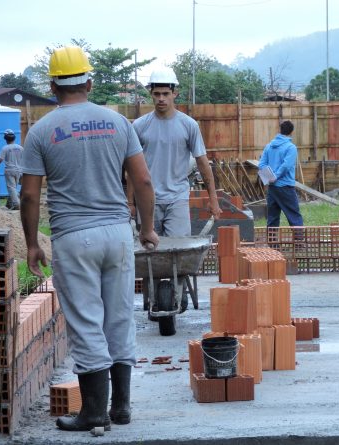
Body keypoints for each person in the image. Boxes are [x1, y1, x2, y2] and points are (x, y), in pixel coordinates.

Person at [19, 46, 158, 432]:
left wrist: (32, 243)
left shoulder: (42, 131)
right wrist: (147, 228)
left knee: (85, 322)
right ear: (90, 81)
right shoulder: (117, 123)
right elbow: (143, 181)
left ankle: (94, 412)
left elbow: (29, 195)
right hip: (117, 233)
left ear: (52, 86)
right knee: (119, 317)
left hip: (73, 236)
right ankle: (122, 407)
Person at [131, 68, 221, 236]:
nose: (161, 99)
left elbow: (202, 163)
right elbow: (131, 167)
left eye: (165, 93)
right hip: (147, 199)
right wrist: (130, 202)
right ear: (151, 94)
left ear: (175, 94)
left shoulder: (188, 125)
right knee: (150, 250)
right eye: (157, 94)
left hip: (177, 198)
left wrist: (213, 200)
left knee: (179, 247)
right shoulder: (139, 126)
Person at [258, 120, 303, 227]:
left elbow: (261, 164)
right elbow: (286, 165)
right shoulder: (291, 147)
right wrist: (276, 176)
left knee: (272, 217)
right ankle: (299, 242)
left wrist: (270, 177)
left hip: (272, 188)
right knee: (294, 216)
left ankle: (272, 243)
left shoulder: (269, 146)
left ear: (280, 130)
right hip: (286, 187)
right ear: (291, 132)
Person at [0, 129, 23, 210]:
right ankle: (9, 205)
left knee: (11, 188)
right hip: (19, 170)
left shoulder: (5, 148)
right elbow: (26, 159)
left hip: (10, 170)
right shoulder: (20, 148)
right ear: (14, 138)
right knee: (14, 188)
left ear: (5, 138)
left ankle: (17, 205)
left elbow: (0, 159)